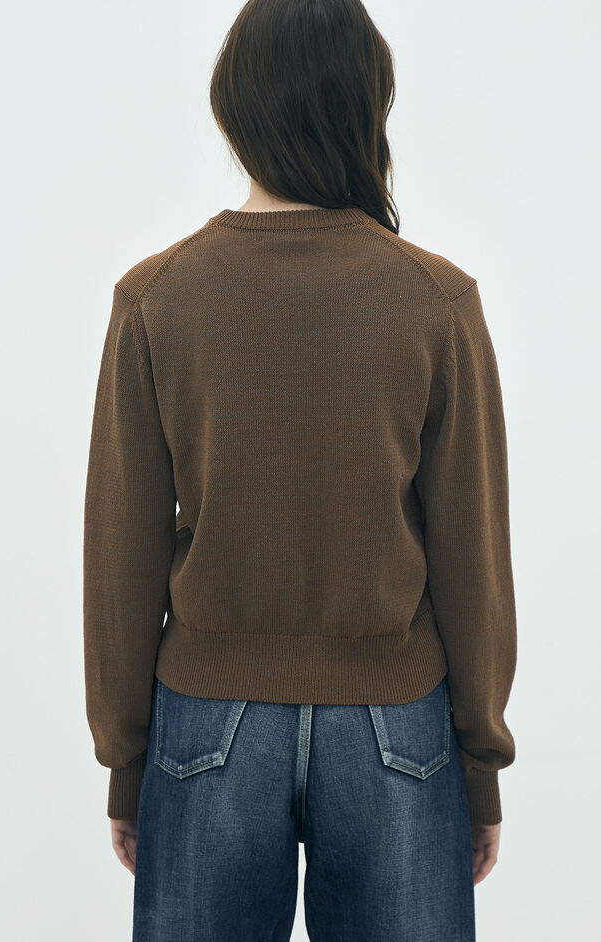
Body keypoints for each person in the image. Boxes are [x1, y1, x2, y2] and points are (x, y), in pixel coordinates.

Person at [83, 0, 517, 939]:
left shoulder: (155, 299)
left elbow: (120, 559)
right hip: (396, 728)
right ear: (366, 105)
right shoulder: (435, 301)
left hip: (205, 725)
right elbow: (472, 562)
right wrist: (478, 764)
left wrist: (127, 759)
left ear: (234, 105)